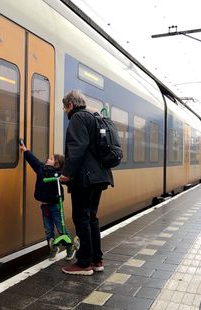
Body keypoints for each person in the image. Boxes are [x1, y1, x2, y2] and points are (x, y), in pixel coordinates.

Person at [59, 90, 113, 275]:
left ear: (71, 105)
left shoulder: (78, 118)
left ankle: (84, 264)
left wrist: (66, 173)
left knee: (81, 217)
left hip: (86, 178)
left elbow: (77, 148)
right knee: (91, 218)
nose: (66, 112)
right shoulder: (95, 117)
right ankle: (97, 260)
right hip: (100, 176)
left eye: (65, 107)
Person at [19, 140, 75, 261]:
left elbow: (68, 180)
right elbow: (33, 160)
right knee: (48, 229)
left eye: (50, 158)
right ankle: (53, 248)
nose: (47, 159)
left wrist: (64, 178)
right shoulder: (41, 169)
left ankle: (69, 247)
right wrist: (25, 150)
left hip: (55, 206)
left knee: (61, 227)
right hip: (44, 206)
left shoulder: (58, 174)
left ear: (56, 164)